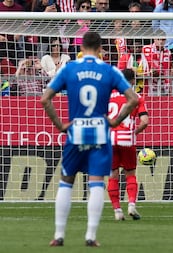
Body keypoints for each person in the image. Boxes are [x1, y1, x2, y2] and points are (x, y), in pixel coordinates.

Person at [41, 32, 139, 247]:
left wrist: (60, 125)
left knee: (66, 182)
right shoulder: (109, 70)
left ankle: (59, 235)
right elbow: (133, 99)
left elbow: (45, 98)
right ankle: (91, 237)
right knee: (96, 183)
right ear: (101, 48)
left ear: (82, 47)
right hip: (99, 133)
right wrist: (114, 122)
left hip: (75, 133)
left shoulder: (69, 69)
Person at [107, 68, 149, 221]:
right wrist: (134, 132)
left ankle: (117, 211)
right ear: (132, 81)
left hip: (109, 138)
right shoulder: (136, 97)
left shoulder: (107, 96)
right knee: (130, 174)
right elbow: (145, 122)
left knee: (113, 175)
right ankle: (131, 204)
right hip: (127, 139)